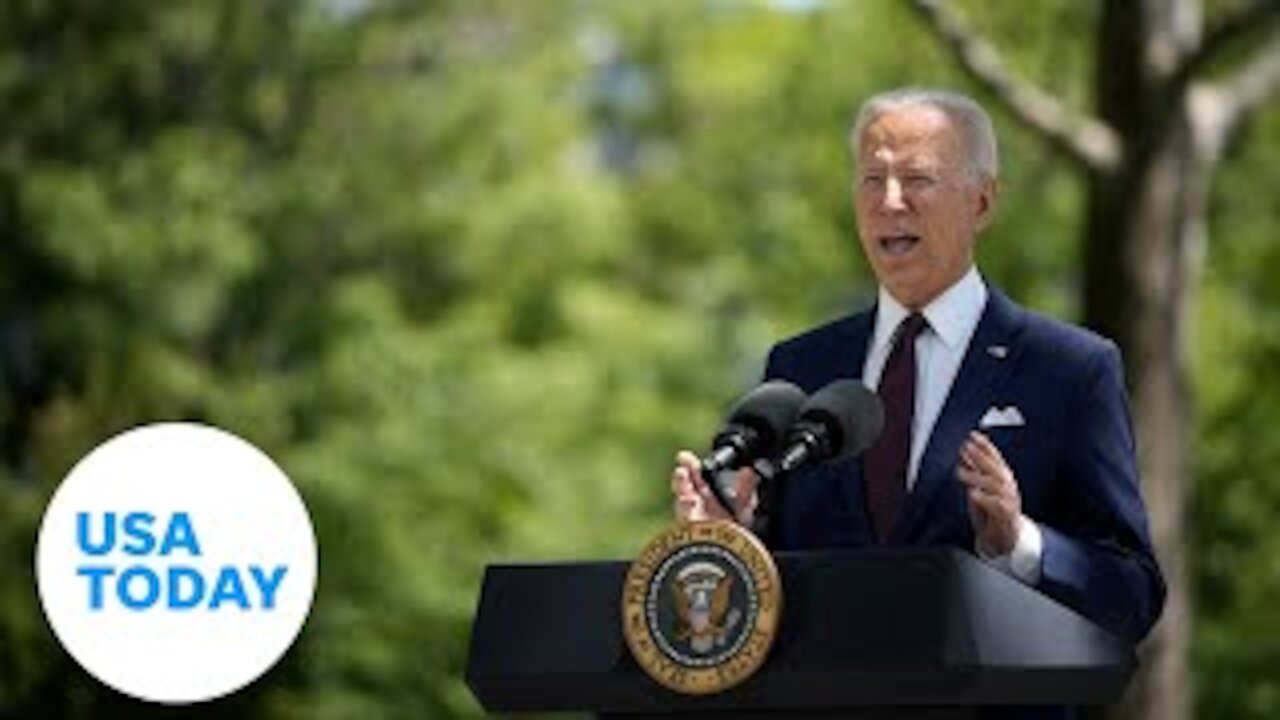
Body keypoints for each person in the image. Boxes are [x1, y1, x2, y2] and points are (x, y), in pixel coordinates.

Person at [670, 88, 1165, 715]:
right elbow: (774, 588)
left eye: (917, 179)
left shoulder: (1068, 369)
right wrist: (729, 543)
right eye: (872, 178)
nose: (889, 202)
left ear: (982, 201)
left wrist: (1018, 543)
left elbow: (1132, 596)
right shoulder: (800, 367)